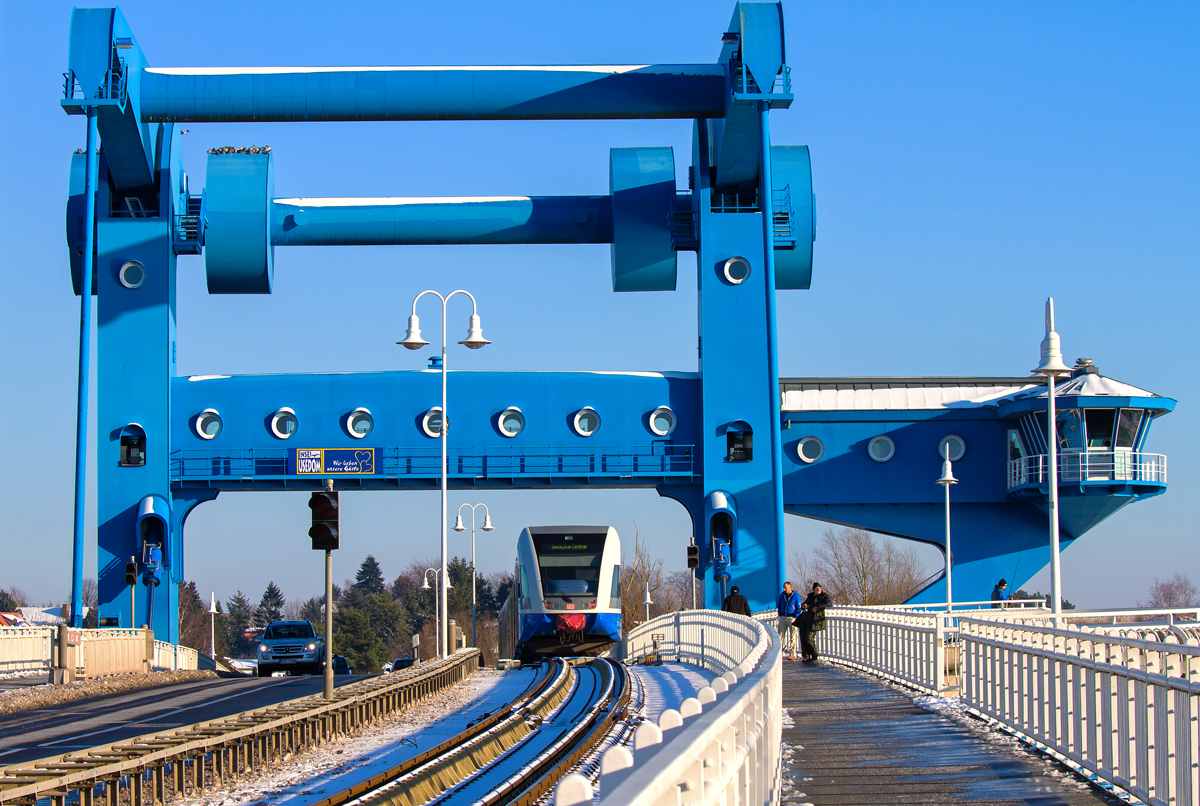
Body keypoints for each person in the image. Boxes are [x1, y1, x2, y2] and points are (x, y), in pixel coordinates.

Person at [793, 582, 832, 662]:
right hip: (805, 619)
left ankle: (814, 655)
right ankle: (806, 655)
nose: (818, 590)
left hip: (814, 620)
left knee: (809, 638)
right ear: (813, 590)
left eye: (819, 588)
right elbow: (804, 603)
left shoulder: (823, 596)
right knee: (803, 638)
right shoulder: (810, 596)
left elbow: (828, 603)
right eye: (816, 589)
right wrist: (804, 605)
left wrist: (817, 607)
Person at [776, 582, 802, 659]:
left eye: (786, 588)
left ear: (790, 587)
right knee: (780, 635)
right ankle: (778, 653)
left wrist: (795, 615)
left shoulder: (796, 596)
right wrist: (780, 614)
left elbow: (799, 607)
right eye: (784, 587)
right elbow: (779, 605)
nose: (784, 589)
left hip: (792, 617)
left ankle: (792, 653)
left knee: (793, 636)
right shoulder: (782, 596)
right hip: (783, 617)